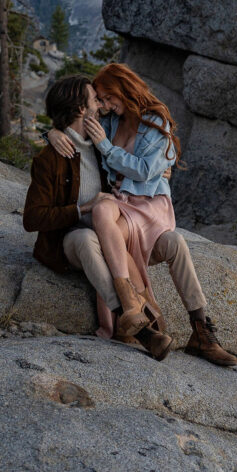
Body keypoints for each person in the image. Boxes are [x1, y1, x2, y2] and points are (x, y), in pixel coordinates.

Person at [47, 63, 237, 367]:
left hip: (148, 207)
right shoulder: (110, 121)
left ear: (124, 90)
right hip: (120, 203)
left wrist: (107, 149)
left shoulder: (155, 123)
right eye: (102, 100)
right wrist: (53, 131)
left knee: (175, 243)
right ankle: (132, 306)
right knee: (102, 211)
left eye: (108, 98)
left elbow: (146, 171)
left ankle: (202, 331)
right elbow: (76, 123)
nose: (105, 105)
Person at [23, 74, 174, 360]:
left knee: (108, 233)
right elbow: (32, 219)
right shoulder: (50, 159)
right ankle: (138, 325)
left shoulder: (101, 144)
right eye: (95, 99)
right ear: (81, 109)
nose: (100, 103)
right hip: (67, 239)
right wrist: (84, 208)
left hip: (106, 232)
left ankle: (142, 314)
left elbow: (141, 159)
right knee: (85, 236)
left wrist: (165, 166)